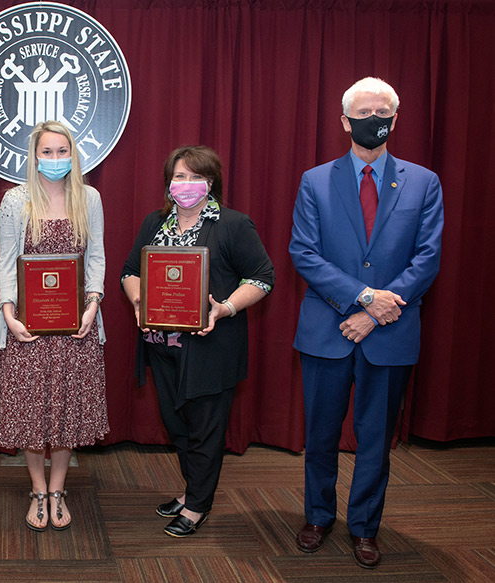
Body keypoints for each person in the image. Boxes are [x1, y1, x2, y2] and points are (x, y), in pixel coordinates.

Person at [289, 77, 444, 569]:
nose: (372, 119)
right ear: (344, 122)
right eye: (363, 112)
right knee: (320, 433)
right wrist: (362, 299)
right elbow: (304, 253)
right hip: (328, 328)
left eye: (382, 112)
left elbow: (427, 257)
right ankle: (318, 516)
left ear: (394, 120)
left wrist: (377, 313)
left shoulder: (424, 181)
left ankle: (364, 527)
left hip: (391, 332)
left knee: (376, 438)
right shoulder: (315, 180)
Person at [121, 146, 273, 538]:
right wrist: (139, 301)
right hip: (161, 345)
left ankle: (197, 506)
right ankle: (192, 490)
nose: (186, 185)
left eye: (195, 177)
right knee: (178, 426)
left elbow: (261, 277)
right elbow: (129, 271)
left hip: (210, 348)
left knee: (205, 429)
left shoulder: (233, 224)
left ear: (211, 182)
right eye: (179, 176)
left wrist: (224, 308)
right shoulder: (155, 222)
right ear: (168, 183)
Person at [0, 121, 108, 532]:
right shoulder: (15, 200)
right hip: (28, 326)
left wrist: (93, 303)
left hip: (77, 327)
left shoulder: (89, 197)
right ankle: (37, 488)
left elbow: (96, 258)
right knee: (32, 411)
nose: (55, 159)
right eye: (47, 152)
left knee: (66, 412)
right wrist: (8, 313)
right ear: (34, 155)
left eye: (62, 152)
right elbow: (7, 262)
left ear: (72, 155)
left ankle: (58, 489)